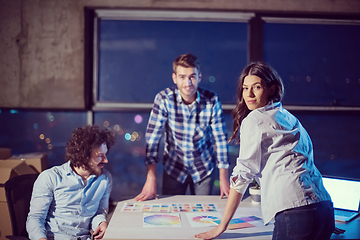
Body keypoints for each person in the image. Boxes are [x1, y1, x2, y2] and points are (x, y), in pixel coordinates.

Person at [195, 62, 335, 240]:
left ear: (271, 89)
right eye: (246, 88)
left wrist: (221, 226)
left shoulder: (254, 119)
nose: (249, 94)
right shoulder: (288, 117)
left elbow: (243, 174)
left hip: (294, 211)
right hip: (324, 208)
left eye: (257, 87)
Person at [134, 53, 230, 201]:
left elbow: (220, 140)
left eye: (192, 76)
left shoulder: (211, 100)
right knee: (171, 215)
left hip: (203, 170)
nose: (188, 83)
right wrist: (151, 178)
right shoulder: (163, 99)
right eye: (182, 77)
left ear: (199, 77)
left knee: (203, 216)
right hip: (174, 168)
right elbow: (152, 139)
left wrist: (224, 178)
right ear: (174, 78)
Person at [27, 125, 116, 240]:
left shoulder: (105, 179)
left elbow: (99, 212)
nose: (106, 160)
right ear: (83, 156)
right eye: (100, 156)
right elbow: (35, 218)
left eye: (105, 154)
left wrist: (101, 222)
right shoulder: (50, 177)